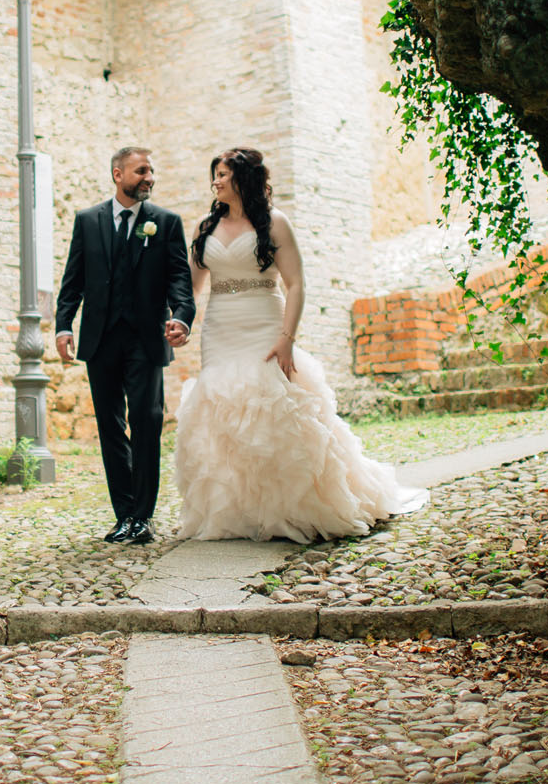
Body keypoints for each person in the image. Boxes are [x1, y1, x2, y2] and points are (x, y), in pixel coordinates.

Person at [173, 146, 428, 541]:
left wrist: (286, 339)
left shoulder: (275, 223)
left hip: (264, 322)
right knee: (224, 410)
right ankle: (241, 510)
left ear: (245, 180)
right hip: (220, 328)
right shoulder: (204, 227)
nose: (216, 181)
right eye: (216, 174)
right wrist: (179, 321)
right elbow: (191, 286)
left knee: (272, 409)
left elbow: (295, 284)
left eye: (224, 174)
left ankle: (292, 506)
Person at [55, 146, 196, 545]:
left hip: (146, 340)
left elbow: (179, 282)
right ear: (118, 174)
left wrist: (182, 318)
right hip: (100, 339)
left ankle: (143, 517)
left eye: (152, 170)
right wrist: (64, 325)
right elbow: (73, 280)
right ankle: (124, 515)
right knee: (111, 426)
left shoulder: (165, 223)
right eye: (141, 171)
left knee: (147, 422)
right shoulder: (87, 220)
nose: (149, 177)